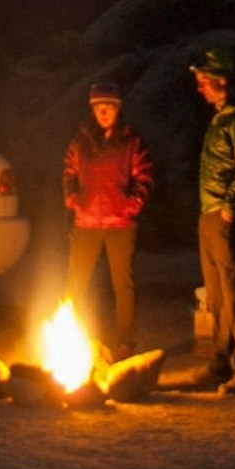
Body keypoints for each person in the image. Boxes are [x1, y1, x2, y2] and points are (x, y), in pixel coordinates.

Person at [183, 47, 235, 394]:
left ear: (221, 81)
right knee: (217, 294)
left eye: (204, 82)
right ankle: (221, 361)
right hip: (210, 213)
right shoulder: (222, 115)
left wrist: (232, 207)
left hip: (226, 216)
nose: (199, 88)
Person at [59, 84, 154, 352]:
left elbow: (144, 177)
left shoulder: (132, 142)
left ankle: (125, 341)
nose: (104, 112)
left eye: (109, 107)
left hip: (120, 224)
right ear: (92, 110)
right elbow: (69, 172)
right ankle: (71, 337)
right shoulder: (80, 142)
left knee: (122, 285)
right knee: (76, 282)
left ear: (118, 109)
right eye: (99, 107)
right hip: (85, 222)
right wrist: (73, 200)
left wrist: (130, 206)